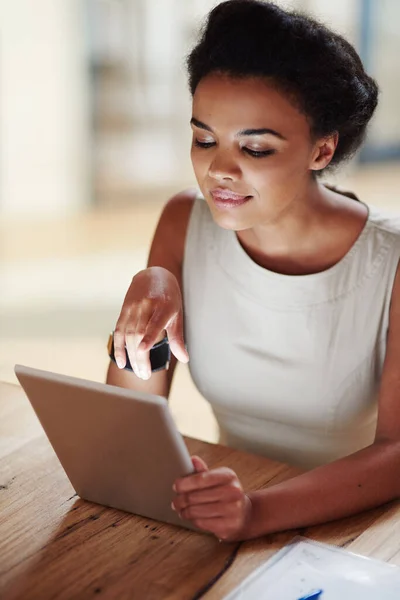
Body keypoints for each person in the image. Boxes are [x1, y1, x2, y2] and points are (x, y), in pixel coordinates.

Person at [106, 0, 400, 542]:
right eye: (204, 139)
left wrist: (255, 512)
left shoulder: (393, 260)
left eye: (256, 147)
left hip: (354, 530)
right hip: (224, 505)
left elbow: (397, 453)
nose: (219, 168)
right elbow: (127, 426)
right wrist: (149, 287)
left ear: (322, 148)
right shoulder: (181, 221)